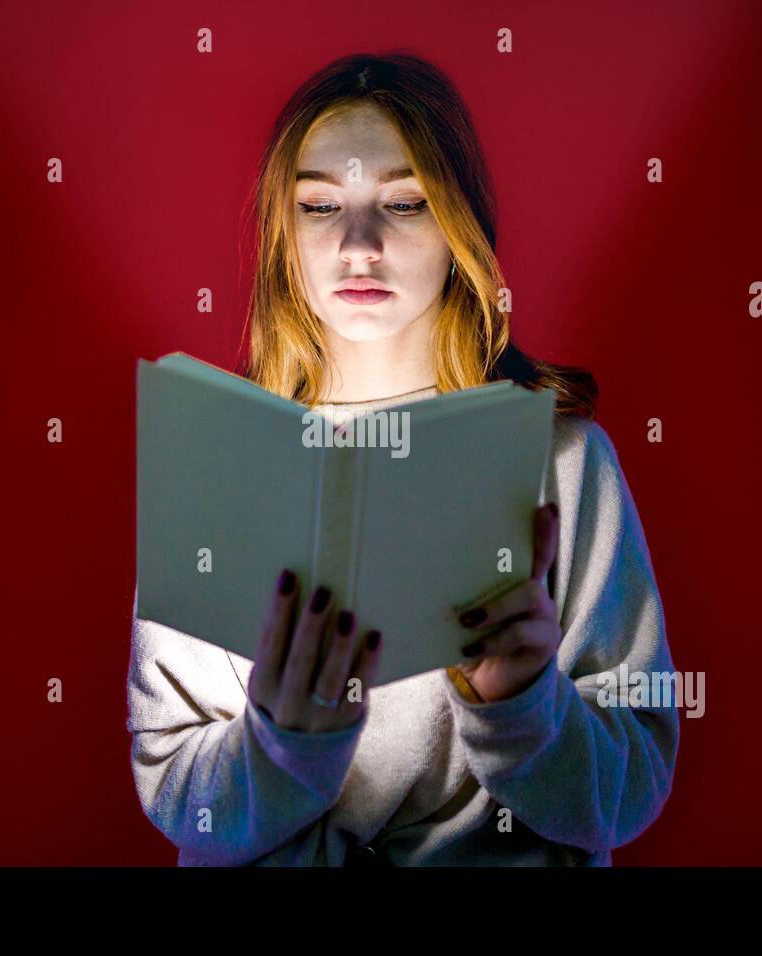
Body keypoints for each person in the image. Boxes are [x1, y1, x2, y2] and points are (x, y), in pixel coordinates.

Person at [126, 52, 679, 866]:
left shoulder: (562, 462)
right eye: (319, 204)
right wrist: (283, 747)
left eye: (404, 201)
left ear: (459, 225)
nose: (358, 244)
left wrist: (523, 706)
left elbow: (630, 786)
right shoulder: (219, 466)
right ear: (285, 236)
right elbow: (174, 785)